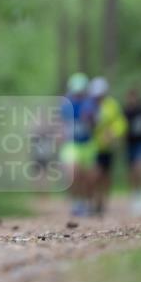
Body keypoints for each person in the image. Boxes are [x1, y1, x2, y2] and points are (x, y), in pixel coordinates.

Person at [88, 76, 127, 216]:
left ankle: (102, 202)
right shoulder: (90, 105)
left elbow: (121, 123)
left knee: (106, 176)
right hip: (93, 147)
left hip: (108, 147)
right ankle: (93, 201)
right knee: (95, 175)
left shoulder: (112, 105)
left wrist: (113, 133)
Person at [59, 73, 96, 216]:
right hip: (71, 144)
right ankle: (76, 202)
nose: (78, 94)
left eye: (81, 91)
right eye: (76, 91)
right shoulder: (65, 103)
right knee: (73, 172)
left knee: (88, 178)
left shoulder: (90, 103)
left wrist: (90, 119)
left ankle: (87, 202)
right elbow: (61, 122)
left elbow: (94, 123)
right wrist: (60, 133)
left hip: (87, 144)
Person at [123, 87, 141, 218]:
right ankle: (133, 194)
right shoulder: (125, 112)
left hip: (140, 143)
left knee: (140, 167)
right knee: (132, 171)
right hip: (129, 144)